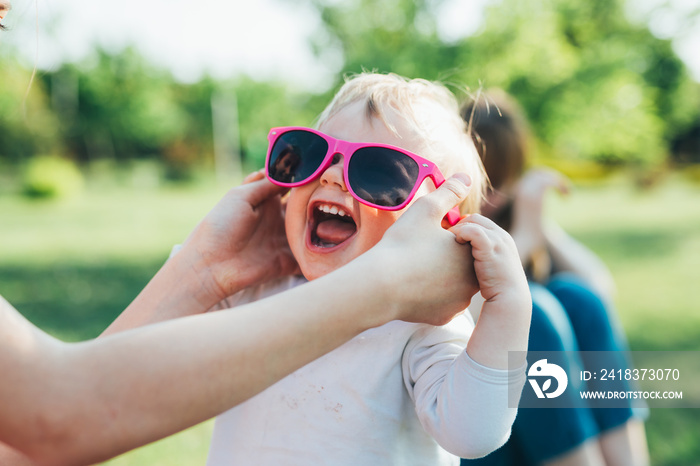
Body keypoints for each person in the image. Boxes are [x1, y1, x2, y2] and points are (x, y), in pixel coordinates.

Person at [108, 73, 533, 465]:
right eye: (311, 154)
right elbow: (116, 374)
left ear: (443, 223)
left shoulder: (422, 323)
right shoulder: (253, 293)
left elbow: (475, 434)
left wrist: (510, 307)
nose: (331, 176)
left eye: (381, 171)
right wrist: (203, 263)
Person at [459, 89, 650, 466]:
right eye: (484, 178)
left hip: (534, 427)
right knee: (536, 313)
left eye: (503, 178)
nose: (493, 196)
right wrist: (524, 239)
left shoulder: (519, 219)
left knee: (577, 297)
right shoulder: (446, 229)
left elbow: (600, 291)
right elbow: (469, 316)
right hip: (477, 426)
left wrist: (539, 225)